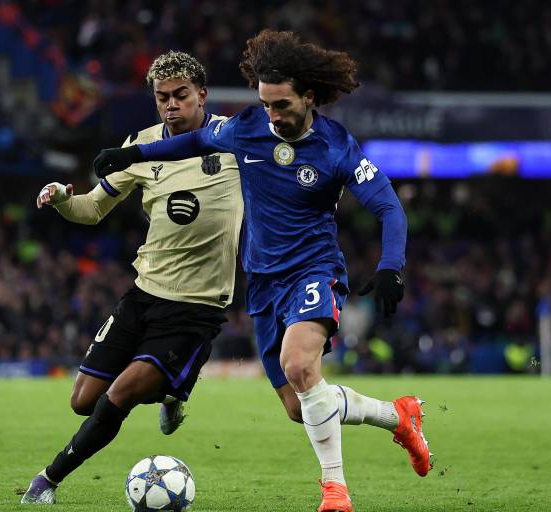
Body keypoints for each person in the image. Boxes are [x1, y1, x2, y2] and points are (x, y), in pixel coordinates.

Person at [92, 31, 431, 512]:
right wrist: (133, 155)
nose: (272, 114)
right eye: (266, 104)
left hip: (314, 270)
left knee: (299, 364)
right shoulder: (248, 127)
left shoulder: (337, 146)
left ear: (308, 97)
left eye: (282, 105)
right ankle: (398, 416)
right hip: (263, 284)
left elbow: (389, 207)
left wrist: (391, 267)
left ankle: (335, 490)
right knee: (300, 406)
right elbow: (195, 141)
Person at [21, 51, 243, 504]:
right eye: (162, 97)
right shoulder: (140, 146)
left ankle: (47, 480)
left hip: (197, 305)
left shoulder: (235, 140)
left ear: (202, 95)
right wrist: (62, 197)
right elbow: (91, 209)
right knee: (83, 401)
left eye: (181, 95)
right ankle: (171, 388)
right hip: (143, 294)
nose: (171, 105)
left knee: (119, 394)